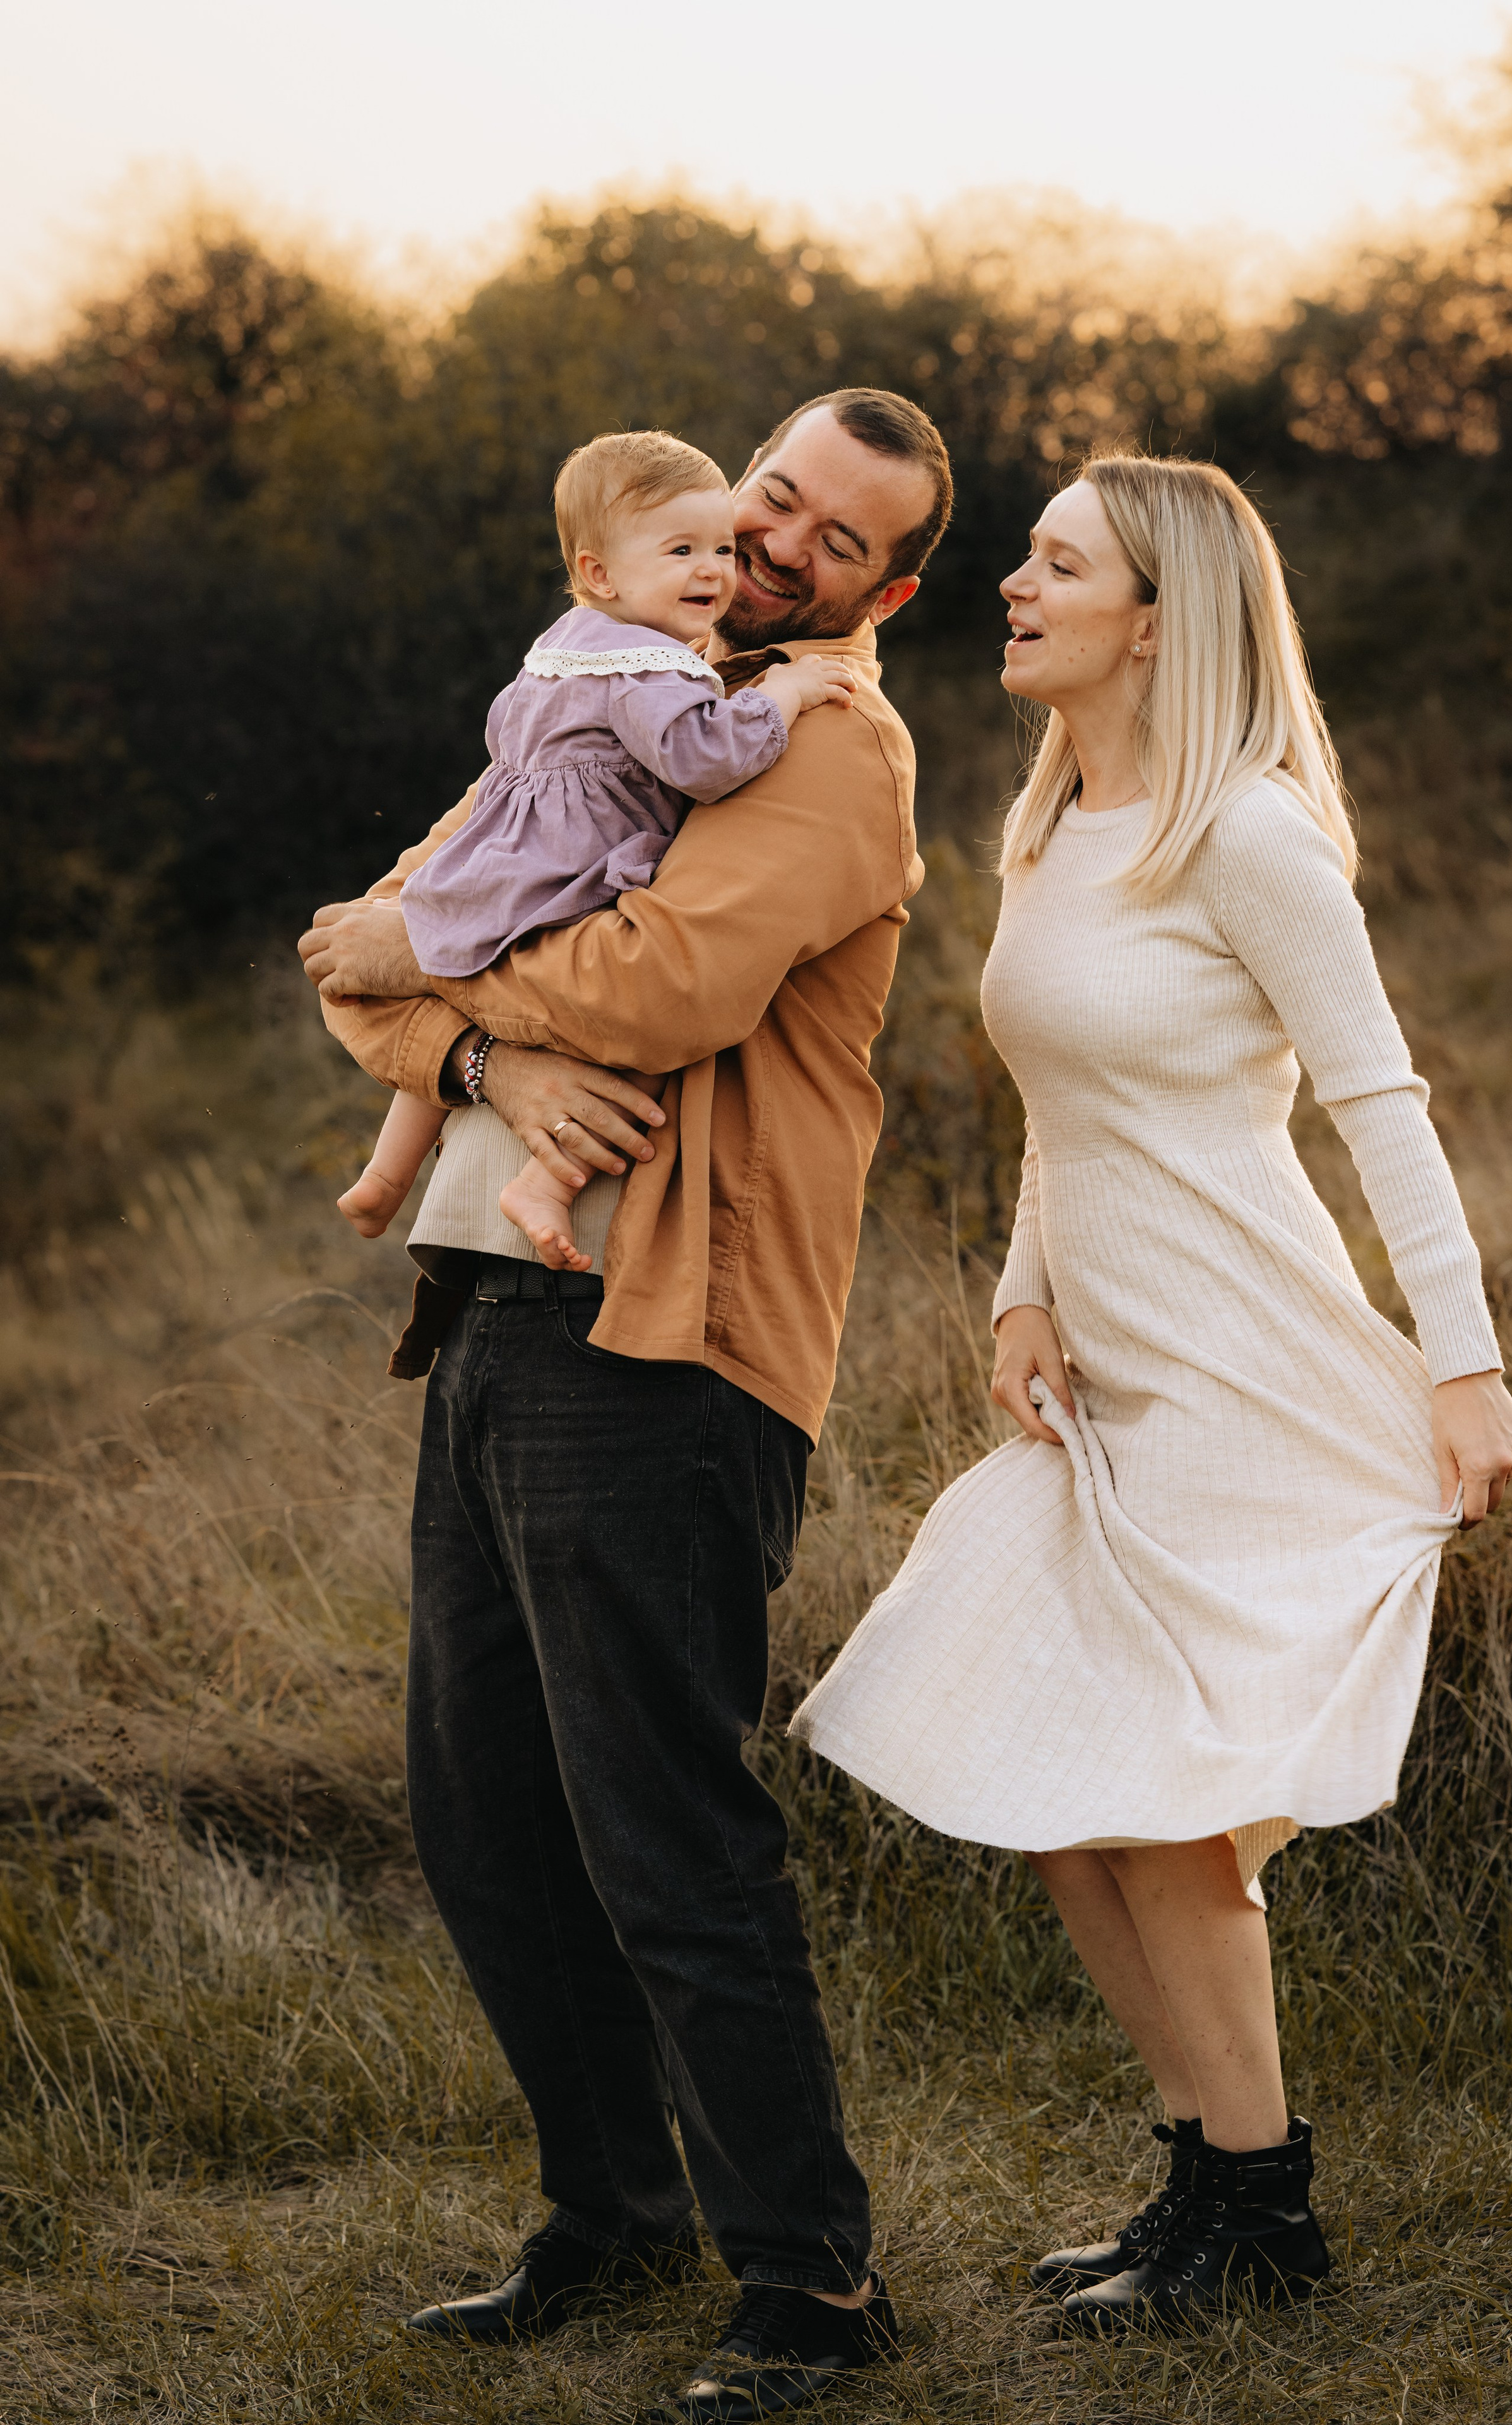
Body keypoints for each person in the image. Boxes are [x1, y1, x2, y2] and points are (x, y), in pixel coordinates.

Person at [790, 450, 1512, 2338]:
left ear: (1158, 615)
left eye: (1056, 565)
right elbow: (1063, 1112)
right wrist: (1026, 1295)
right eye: (1024, 562)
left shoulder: (1251, 838)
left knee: (1167, 1800)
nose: (1014, 590)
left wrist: (1467, 1364)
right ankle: (1209, 2176)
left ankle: (1261, 2215)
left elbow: (1381, 1099)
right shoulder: (1052, 829)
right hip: (1108, 1372)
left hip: (1247, 1366)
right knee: (1061, 1774)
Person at [297, 390, 952, 2421]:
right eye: (773, 496)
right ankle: (612, 2216)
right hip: (499, 1311)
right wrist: (480, 1064)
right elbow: (353, 972)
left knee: (664, 1826)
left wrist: (438, 980)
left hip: (667, 1346)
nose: (779, 545)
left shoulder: (829, 748)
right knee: (489, 1813)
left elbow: (642, 985)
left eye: (835, 541)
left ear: (885, 588)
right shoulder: (606, 686)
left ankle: (809, 2287)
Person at [337, 429, 853, 1269]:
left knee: (461, 976)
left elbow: (506, 740)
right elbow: (706, 760)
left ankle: (387, 1173)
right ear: (601, 572)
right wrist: (784, 696)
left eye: (721, 548)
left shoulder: (567, 645)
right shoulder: (653, 668)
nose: (713, 571)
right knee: (633, 1033)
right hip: (571, 874)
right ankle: (547, 1183)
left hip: (492, 861)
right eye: (682, 550)